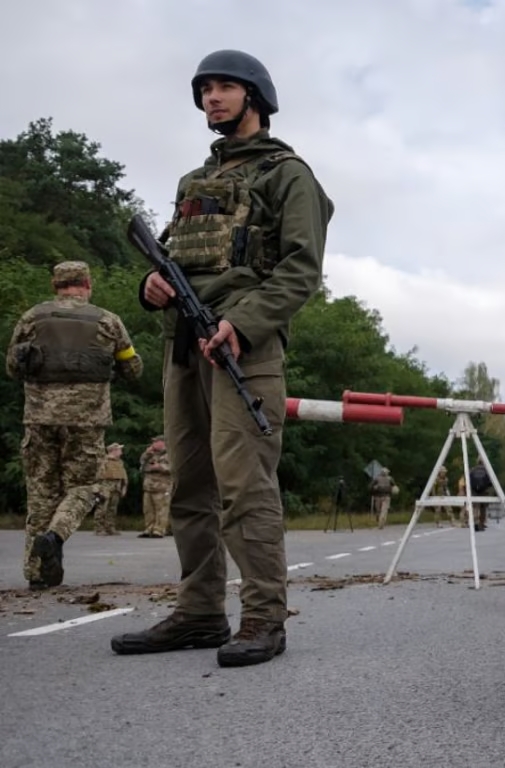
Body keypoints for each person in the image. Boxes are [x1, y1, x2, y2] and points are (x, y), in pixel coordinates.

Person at [111, 50, 334, 667]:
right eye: (205, 88)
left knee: (245, 487)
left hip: (244, 346)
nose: (212, 97)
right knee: (189, 485)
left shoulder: (289, 175)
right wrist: (150, 288)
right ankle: (200, 613)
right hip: (184, 345)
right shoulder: (192, 182)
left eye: (225, 87)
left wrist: (244, 321)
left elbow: (300, 272)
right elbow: (177, 258)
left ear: (255, 95)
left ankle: (263, 618)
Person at [6, 261, 143, 588]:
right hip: (86, 421)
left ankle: (38, 574)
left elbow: (12, 366)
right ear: (87, 284)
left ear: (56, 285)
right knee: (88, 487)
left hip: (39, 419)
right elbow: (133, 369)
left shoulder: (31, 318)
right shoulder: (108, 321)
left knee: (41, 494)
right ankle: (55, 535)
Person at [138, 435, 172, 538]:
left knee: (161, 509)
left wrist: (160, 467)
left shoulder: (170, 454)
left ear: (162, 443)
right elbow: (142, 464)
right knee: (148, 509)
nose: (153, 444)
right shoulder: (150, 454)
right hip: (148, 486)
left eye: (156, 442)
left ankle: (159, 529)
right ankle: (149, 528)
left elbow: (174, 468)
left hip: (162, 486)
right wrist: (147, 454)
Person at [94, 443, 128, 536]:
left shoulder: (119, 462)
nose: (121, 451)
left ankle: (110, 527)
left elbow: (123, 475)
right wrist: (98, 488)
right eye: (119, 449)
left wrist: (124, 486)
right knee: (102, 508)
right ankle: (99, 528)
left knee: (113, 508)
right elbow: (98, 476)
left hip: (116, 486)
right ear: (114, 450)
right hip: (105, 486)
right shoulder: (104, 461)